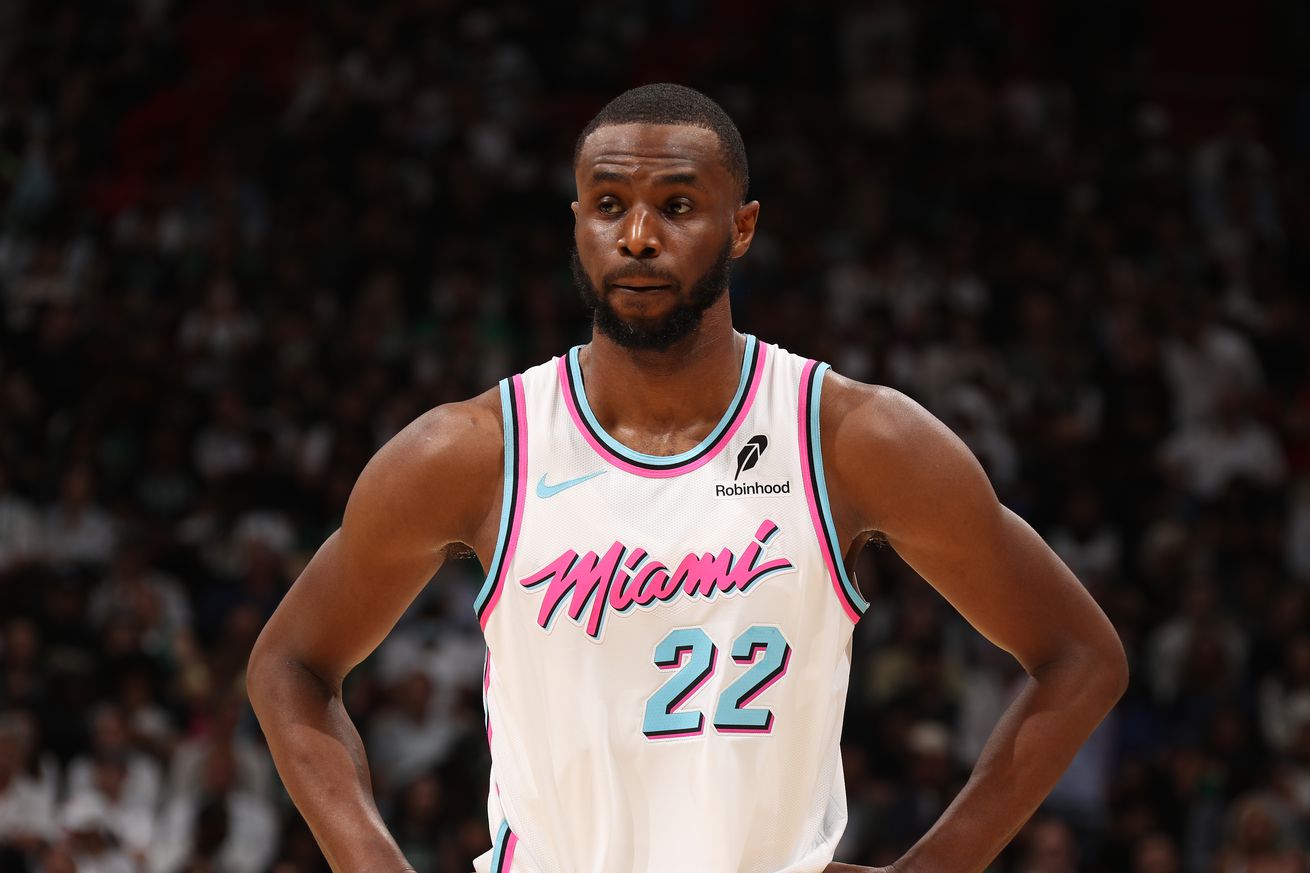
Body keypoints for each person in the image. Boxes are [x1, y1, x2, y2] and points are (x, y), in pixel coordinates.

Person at [247, 83, 1128, 873]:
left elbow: (1080, 655)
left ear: (741, 225)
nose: (637, 237)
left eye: (676, 206)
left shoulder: (849, 439)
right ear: (577, 223)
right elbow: (288, 663)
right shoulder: (478, 452)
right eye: (608, 206)